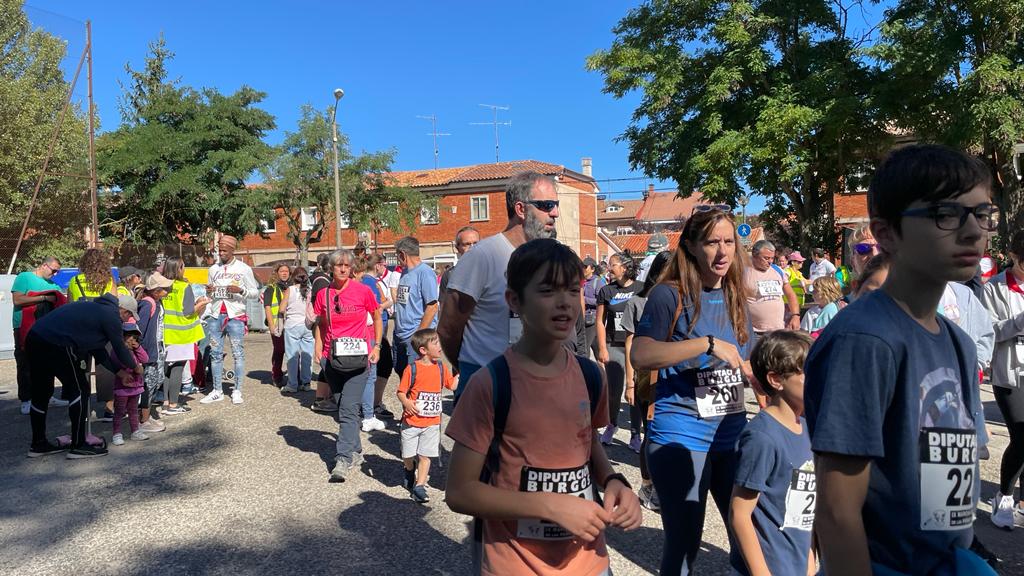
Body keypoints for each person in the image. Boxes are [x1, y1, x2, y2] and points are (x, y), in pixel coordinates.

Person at [805, 144, 997, 575]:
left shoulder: (959, 342)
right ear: (886, 232)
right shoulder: (864, 339)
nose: (972, 232)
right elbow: (837, 511)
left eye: (982, 214)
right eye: (945, 215)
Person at [445, 238, 642, 575]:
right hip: (515, 565)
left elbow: (587, 439)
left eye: (571, 290)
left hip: (589, 563)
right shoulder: (490, 384)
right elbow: (460, 492)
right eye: (548, 291)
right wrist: (550, 506)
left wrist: (613, 479)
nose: (564, 303)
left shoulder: (591, 375)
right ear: (514, 301)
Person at [630, 207, 755, 575]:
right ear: (691, 246)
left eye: (729, 242)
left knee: (751, 538)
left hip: (730, 431)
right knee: (685, 544)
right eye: (712, 242)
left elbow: (741, 358)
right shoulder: (669, 295)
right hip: (681, 432)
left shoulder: (735, 294)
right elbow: (641, 354)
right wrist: (705, 344)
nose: (722, 252)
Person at [439, 171, 561, 399]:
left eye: (555, 205)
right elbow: (448, 328)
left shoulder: (548, 259)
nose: (554, 213)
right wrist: (470, 368)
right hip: (486, 386)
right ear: (521, 209)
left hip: (535, 385)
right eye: (546, 205)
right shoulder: (482, 257)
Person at [729, 330, 816, 576]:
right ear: (776, 379)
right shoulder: (761, 437)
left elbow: (805, 515)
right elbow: (740, 513)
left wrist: (809, 566)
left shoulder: (808, 428)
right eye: (805, 372)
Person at [26, 293, 142, 459]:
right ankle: (79, 445)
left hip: (35, 338)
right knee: (80, 390)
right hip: (58, 343)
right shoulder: (111, 315)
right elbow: (120, 348)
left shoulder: (95, 309)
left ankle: (38, 444)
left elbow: (98, 350)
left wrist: (119, 371)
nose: (127, 319)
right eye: (129, 314)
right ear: (122, 310)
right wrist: (135, 367)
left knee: (41, 393)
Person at [312, 249, 382, 483]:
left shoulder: (362, 291)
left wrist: (377, 346)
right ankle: (357, 450)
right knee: (344, 405)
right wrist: (319, 350)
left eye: (346, 265)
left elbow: (377, 315)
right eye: (338, 265)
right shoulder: (324, 294)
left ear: (352, 268)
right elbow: (321, 323)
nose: (342, 269)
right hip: (332, 359)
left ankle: (342, 459)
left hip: (359, 360)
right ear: (330, 268)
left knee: (348, 410)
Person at [622, 250, 673, 511]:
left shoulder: (683, 299)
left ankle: (666, 484)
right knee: (650, 432)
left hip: (672, 375)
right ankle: (647, 484)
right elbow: (630, 341)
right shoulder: (638, 302)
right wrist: (629, 381)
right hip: (646, 377)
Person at [981, 230, 1024, 530]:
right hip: (1009, 374)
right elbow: (988, 332)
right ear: (1012, 256)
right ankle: (1004, 496)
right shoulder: (994, 288)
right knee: (1022, 436)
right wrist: (1019, 323)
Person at [396, 328, 457, 503]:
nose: (440, 346)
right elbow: (401, 392)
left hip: (432, 422)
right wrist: (407, 402)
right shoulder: (412, 369)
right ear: (423, 350)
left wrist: (463, 371)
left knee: (425, 455)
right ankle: (409, 469)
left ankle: (420, 486)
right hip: (412, 421)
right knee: (408, 454)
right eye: (436, 343)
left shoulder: (441, 368)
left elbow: (451, 385)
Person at [202, 235, 259, 405]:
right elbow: (209, 294)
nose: (222, 253)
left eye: (225, 250)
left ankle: (237, 390)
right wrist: (210, 291)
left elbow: (255, 293)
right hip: (215, 316)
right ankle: (217, 390)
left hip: (235, 317)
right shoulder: (213, 269)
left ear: (233, 250)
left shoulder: (244, 269)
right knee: (215, 354)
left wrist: (240, 290)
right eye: (220, 250)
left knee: (237, 353)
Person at [595, 253, 644, 451]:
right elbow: (600, 321)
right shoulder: (606, 291)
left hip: (636, 346)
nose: (608, 268)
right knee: (614, 391)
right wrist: (601, 348)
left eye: (612, 264)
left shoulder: (641, 288)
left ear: (624, 267)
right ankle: (612, 424)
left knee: (635, 392)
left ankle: (635, 434)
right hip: (614, 344)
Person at [12, 257, 66, 415]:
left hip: (46, 328)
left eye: (57, 271)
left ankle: (46, 396)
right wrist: (43, 298)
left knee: (47, 363)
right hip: (24, 326)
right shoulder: (25, 277)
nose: (55, 274)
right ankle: (26, 399)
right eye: (53, 270)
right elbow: (18, 299)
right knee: (25, 363)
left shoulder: (53, 285)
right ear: (44, 265)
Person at [163, 258, 210, 413]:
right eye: (183, 266)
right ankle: (173, 404)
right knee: (177, 367)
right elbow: (189, 311)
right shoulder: (184, 287)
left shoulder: (163, 286)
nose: (184, 269)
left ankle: (165, 401)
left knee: (167, 368)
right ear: (178, 269)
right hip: (182, 332)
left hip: (166, 331)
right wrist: (202, 304)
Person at [392, 236, 440, 387]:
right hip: (400, 335)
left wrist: (418, 335)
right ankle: (408, 409)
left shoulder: (425, 272)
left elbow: (432, 306)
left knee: (416, 380)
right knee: (403, 375)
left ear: (402, 255)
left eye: (397, 256)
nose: (398, 260)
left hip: (414, 337)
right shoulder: (405, 273)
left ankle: (416, 410)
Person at [136, 272, 174, 433]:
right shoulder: (147, 304)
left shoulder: (156, 302)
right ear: (156, 290)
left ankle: (146, 415)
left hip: (157, 349)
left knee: (155, 381)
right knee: (148, 384)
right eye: (165, 288)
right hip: (148, 352)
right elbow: (141, 330)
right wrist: (140, 353)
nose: (168, 290)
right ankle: (143, 420)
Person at [354, 257, 387, 432]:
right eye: (360, 275)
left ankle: (357, 413)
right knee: (369, 376)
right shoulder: (364, 288)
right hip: (367, 336)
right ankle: (367, 416)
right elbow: (374, 315)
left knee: (358, 375)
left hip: (358, 338)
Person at [745, 240, 801, 334]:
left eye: (772, 258)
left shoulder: (777, 270)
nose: (770, 261)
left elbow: (790, 294)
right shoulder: (744, 273)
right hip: (754, 332)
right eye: (766, 258)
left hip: (778, 330)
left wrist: (796, 315)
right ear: (754, 256)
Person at [110, 323, 150, 446]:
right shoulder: (117, 351)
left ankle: (135, 431)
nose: (131, 339)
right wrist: (135, 366)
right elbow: (119, 363)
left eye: (134, 337)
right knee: (119, 411)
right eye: (128, 336)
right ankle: (116, 433)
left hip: (136, 386)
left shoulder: (136, 350)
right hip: (123, 387)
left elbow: (145, 359)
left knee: (133, 410)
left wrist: (137, 348)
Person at [367, 253, 396, 420]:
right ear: (377, 265)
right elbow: (376, 307)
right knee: (382, 365)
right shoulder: (370, 283)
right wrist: (388, 303)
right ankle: (374, 404)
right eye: (383, 265)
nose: (384, 268)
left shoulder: (374, 282)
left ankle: (373, 403)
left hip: (378, 329)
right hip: (374, 332)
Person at [280, 267, 313, 395]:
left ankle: (292, 384)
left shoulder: (290, 290)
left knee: (292, 356)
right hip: (307, 325)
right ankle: (306, 383)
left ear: (293, 277)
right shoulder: (309, 290)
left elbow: (282, 308)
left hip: (292, 325)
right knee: (307, 355)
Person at [311, 252, 336, 412]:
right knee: (327, 363)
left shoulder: (322, 279)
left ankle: (325, 397)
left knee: (328, 363)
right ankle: (321, 399)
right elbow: (320, 311)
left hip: (324, 326)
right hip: (322, 326)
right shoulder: (322, 282)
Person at [263, 263, 291, 387]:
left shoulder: (291, 287)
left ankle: (294, 376)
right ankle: (277, 375)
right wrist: (271, 325)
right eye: (282, 271)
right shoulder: (271, 288)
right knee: (279, 350)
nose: (284, 273)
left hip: (290, 324)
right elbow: (267, 307)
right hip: (277, 323)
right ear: (277, 273)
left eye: (287, 271)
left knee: (292, 351)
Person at [439, 226, 480, 297]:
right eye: (467, 244)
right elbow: (445, 306)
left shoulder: (493, 271)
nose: (472, 247)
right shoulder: (449, 275)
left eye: (476, 243)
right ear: (458, 248)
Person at [582, 257, 607, 359]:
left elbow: (601, 301)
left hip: (592, 320)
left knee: (585, 347)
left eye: (585, 267)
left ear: (592, 269)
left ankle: (586, 371)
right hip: (583, 318)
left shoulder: (598, 282)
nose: (582, 269)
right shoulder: (582, 281)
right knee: (596, 349)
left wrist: (583, 299)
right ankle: (602, 368)